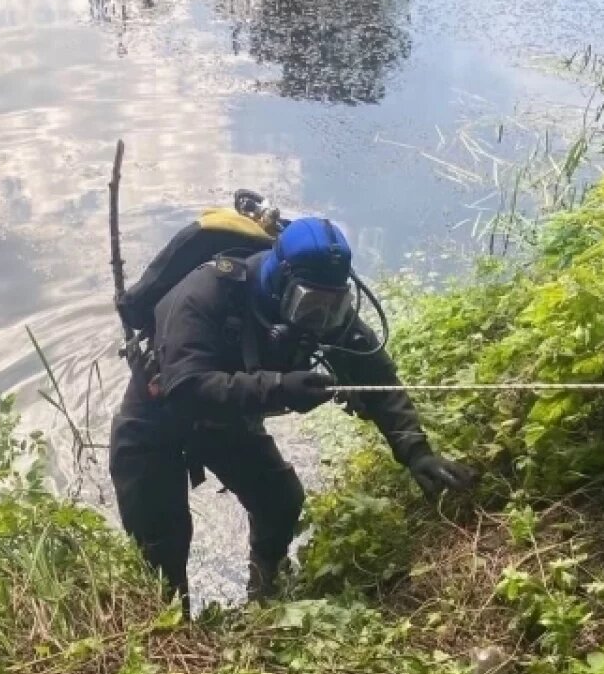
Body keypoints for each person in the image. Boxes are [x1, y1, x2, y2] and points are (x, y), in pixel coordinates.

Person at [108, 216, 475, 607]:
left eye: (333, 306)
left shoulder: (325, 307)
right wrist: (281, 388)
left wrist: (415, 451)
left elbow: (376, 376)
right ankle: (174, 631)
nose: (320, 317)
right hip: (154, 425)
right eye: (310, 303)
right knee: (161, 547)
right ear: (279, 281)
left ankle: (265, 589)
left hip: (226, 423)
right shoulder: (204, 294)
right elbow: (188, 388)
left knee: (280, 501)